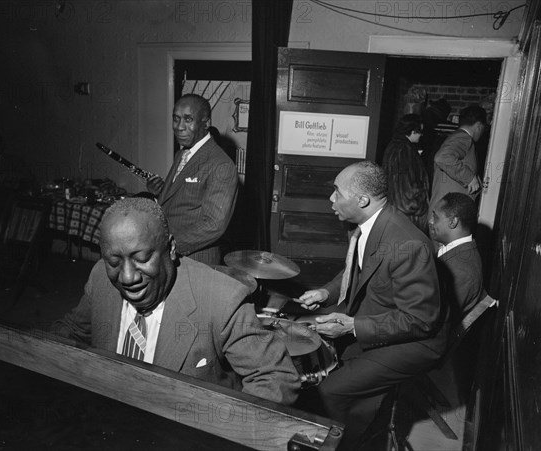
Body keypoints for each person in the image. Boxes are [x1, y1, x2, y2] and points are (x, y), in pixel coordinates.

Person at [51, 197, 300, 405]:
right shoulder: (99, 277)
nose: (127, 277)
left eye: (142, 258)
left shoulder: (223, 299)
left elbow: (276, 377)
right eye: (114, 262)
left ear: (170, 248)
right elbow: (71, 330)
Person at [292, 161, 448, 447]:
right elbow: (358, 271)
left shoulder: (408, 244)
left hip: (414, 342)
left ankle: (342, 443)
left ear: (362, 200)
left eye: (337, 192)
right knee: (304, 337)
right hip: (381, 317)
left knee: (330, 392)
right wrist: (326, 293)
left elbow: (421, 320)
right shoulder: (367, 224)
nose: (331, 199)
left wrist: (353, 328)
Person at [146, 94, 238, 265]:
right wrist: (159, 193)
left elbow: (213, 225)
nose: (180, 127)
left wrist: (167, 246)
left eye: (188, 119)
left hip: (193, 260)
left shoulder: (221, 165)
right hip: (169, 256)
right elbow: (181, 201)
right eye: (176, 119)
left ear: (206, 123)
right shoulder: (182, 154)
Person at [429, 192, 484, 323]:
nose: (430, 221)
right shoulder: (458, 250)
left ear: (453, 222)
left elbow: (432, 319)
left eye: (435, 217)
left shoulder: (462, 272)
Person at [429, 105, 487, 217]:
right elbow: (442, 157)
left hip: (447, 212)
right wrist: (469, 177)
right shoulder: (463, 138)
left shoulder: (458, 137)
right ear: (479, 125)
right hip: (447, 214)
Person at [381, 114, 429, 233]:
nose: (421, 135)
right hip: (407, 211)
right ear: (412, 131)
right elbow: (405, 183)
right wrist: (417, 205)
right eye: (420, 131)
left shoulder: (394, 145)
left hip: (397, 207)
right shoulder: (404, 149)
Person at [0, 131, 34, 227]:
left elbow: (28, 176)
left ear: (2, 145)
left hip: (0, 200)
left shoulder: (12, 161)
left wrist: (8, 175)